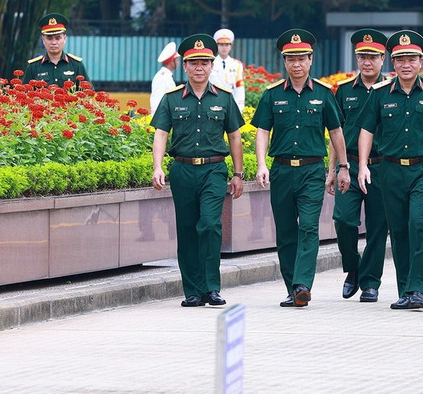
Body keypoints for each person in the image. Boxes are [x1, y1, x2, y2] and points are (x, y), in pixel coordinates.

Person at [357, 30, 423, 310]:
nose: (406, 65)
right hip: (389, 171)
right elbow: (366, 130)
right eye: (400, 59)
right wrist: (363, 165)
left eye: (411, 59)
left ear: (420, 61)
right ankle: (406, 291)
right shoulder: (379, 95)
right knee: (399, 229)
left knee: (418, 224)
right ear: (392, 63)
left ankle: (417, 289)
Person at [252, 29, 351, 308]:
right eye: (291, 59)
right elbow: (261, 131)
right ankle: (291, 287)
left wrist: (341, 167)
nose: (297, 64)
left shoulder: (322, 94)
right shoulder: (272, 95)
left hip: (311, 171)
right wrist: (261, 165)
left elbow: (336, 132)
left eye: (302, 59)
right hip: (282, 170)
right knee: (285, 231)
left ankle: (302, 285)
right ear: (284, 62)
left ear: (311, 60)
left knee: (308, 227)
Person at [150, 34, 245, 307]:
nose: (199, 67)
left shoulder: (224, 99)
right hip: (182, 170)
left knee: (210, 225)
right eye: (193, 63)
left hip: (214, 170)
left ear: (212, 64)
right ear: (185, 66)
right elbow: (160, 134)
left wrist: (238, 175)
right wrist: (158, 167)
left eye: (204, 62)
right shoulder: (172, 99)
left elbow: (235, 137)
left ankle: (211, 288)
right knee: (188, 229)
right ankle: (192, 291)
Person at [327, 29, 390, 303]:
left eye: (373, 57)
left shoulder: (392, 90)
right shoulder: (343, 91)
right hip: (349, 166)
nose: (367, 62)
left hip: (382, 167)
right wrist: (332, 169)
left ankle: (370, 282)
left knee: (378, 227)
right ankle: (353, 267)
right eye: (362, 56)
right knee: (343, 220)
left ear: (382, 58)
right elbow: (334, 132)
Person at [23, 13, 89, 87]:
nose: (54, 42)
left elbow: (89, 94)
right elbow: (24, 94)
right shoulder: (33, 67)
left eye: (58, 38)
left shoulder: (76, 65)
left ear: (64, 38)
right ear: (43, 40)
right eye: (49, 38)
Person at [211, 28, 247, 112]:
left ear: (231, 46)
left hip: (231, 103)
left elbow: (239, 87)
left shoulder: (237, 65)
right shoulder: (210, 63)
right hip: (213, 102)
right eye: (221, 44)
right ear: (217, 46)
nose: (224, 48)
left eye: (227, 45)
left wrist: (240, 107)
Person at [150, 42, 179, 115]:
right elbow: (157, 100)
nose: (178, 62)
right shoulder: (163, 77)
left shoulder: (166, 76)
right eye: (177, 59)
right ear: (173, 61)